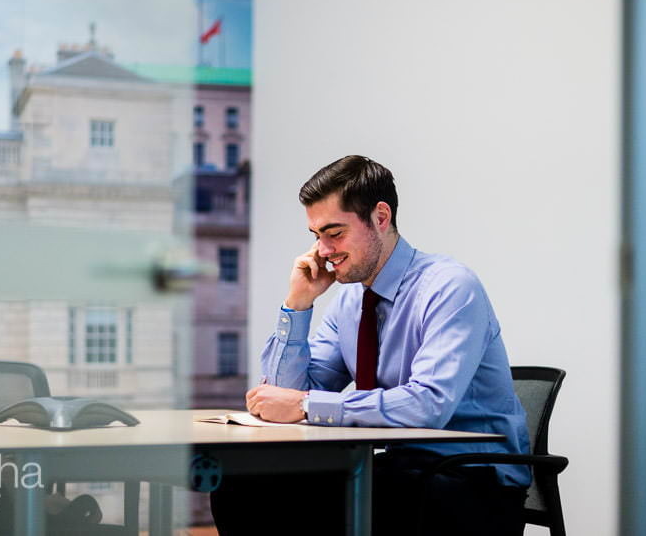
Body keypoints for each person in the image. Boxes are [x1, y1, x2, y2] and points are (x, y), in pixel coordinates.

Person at [210, 155, 531, 536]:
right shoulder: (350, 301)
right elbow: (284, 396)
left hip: (470, 481)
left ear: (381, 217)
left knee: (327, 503)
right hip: (401, 469)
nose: (324, 250)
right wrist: (297, 305)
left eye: (335, 233)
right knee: (238, 485)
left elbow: (427, 404)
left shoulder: (449, 288)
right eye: (317, 236)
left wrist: (305, 406)